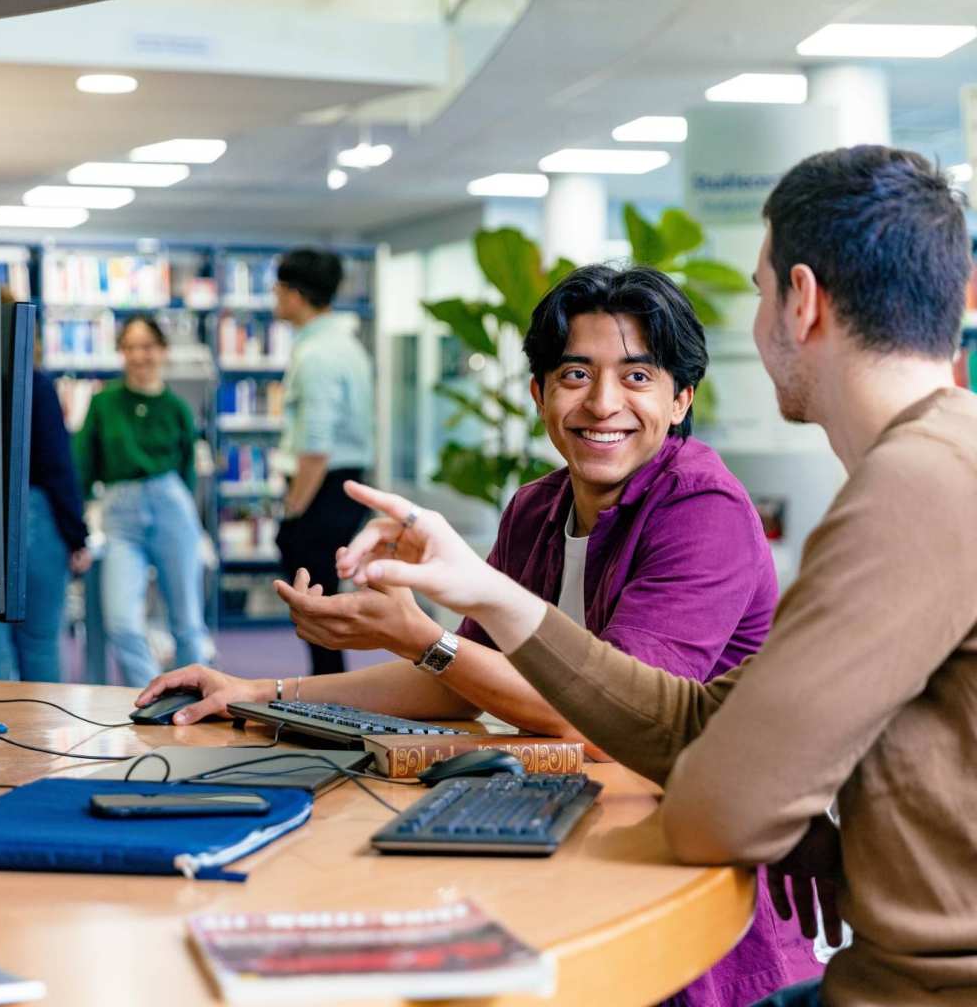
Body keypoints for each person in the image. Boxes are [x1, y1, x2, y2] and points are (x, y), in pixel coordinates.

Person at [333, 146, 977, 1007]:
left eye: (756, 293)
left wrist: (771, 807)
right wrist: (482, 591)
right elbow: (704, 718)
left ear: (803, 301)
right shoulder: (945, 461)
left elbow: (722, 809)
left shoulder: (912, 490)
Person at [138, 266, 819, 1005]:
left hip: (691, 893)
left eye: (638, 377)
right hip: (580, 833)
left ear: (680, 398)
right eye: (574, 375)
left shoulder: (701, 509)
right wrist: (258, 692)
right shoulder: (536, 507)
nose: (602, 404)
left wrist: (421, 638)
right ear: (537, 393)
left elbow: (605, 716)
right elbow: (457, 680)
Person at [0, 295, 91, 681]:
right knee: (39, 641)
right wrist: (76, 535)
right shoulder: (34, 385)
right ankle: (40, 735)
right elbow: (57, 468)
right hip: (34, 517)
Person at [73, 314, 208, 687]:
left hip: (172, 507)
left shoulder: (177, 408)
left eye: (146, 346)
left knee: (187, 622)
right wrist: (79, 523)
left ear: (162, 350)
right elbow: (83, 465)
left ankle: (195, 699)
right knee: (120, 622)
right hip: (120, 514)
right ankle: (153, 697)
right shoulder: (104, 404)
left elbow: (187, 474)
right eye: (130, 347)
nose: (138, 355)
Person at [271, 248, 374, 676]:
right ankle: (328, 691)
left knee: (316, 606)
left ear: (296, 294)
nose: (274, 298)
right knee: (322, 604)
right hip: (339, 486)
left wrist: (293, 509)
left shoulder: (317, 355)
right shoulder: (344, 344)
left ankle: (328, 696)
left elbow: (316, 446)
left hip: (321, 487)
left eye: (278, 289)